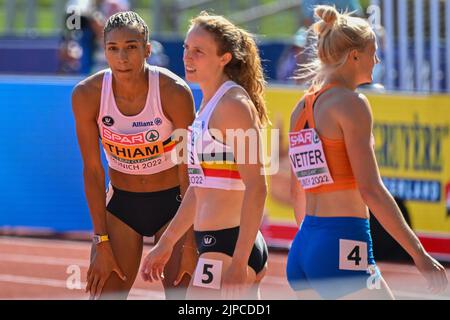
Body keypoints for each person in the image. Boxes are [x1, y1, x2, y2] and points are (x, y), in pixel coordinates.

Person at [286, 5, 448, 299]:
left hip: (304, 247)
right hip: (343, 243)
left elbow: (297, 188)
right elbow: (371, 189)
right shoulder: (352, 104)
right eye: (373, 51)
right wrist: (419, 254)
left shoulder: (301, 108)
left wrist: (312, 244)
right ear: (354, 56)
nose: (377, 59)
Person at [140, 12, 269, 300]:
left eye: (199, 51)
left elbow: (258, 187)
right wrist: (168, 242)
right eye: (187, 48)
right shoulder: (207, 107)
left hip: (230, 246)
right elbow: (200, 188)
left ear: (224, 57)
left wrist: (238, 259)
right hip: (216, 244)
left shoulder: (233, 105)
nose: (188, 56)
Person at [71, 11, 197, 300]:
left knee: (185, 299)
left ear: (147, 49)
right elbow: (92, 170)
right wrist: (100, 241)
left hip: (174, 206)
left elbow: (188, 170)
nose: (122, 57)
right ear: (104, 52)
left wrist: (189, 243)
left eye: (131, 47)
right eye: (113, 49)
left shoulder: (173, 92)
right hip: (122, 207)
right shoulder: (87, 95)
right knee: (104, 295)